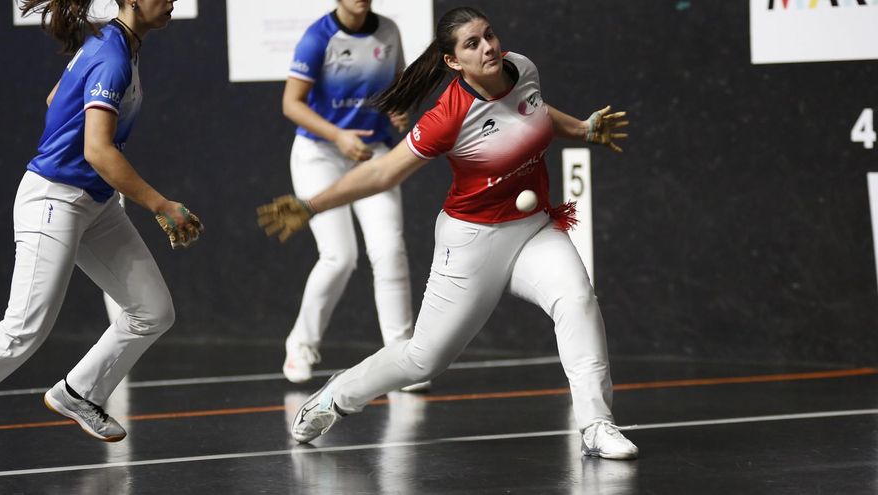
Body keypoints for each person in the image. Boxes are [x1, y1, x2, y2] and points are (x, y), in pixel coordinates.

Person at [258, 6, 637, 459]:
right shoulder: (447, 116)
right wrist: (311, 204)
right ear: (454, 62)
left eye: (489, 35)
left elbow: (532, 110)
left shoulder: (523, 68)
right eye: (472, 44)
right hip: (471, 242)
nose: (489, 47)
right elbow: (383, 174)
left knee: (577, 300)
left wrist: (582, 128)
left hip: (534, 231)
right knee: (423, 359)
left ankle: (596, 425)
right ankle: (335, 397)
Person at [0, 0, 202, 442]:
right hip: (54, 200)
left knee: (152, 311)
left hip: (94, 203)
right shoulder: (111, 54)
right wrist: (162, 204)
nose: (172, 2)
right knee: (21, 333)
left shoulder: (117, 45)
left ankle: (79, 392)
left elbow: (56, 97)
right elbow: (98, 150)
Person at [277, 0, 427, 392]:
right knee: (340, 257)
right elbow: (290, 104)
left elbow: (397, 88)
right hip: (319, 154)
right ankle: (301, 345)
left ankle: (401, 360)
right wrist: (337, 135)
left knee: (389, 250)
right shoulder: (317, 38)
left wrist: (398, 111)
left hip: (372, 155)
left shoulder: (388, 32)